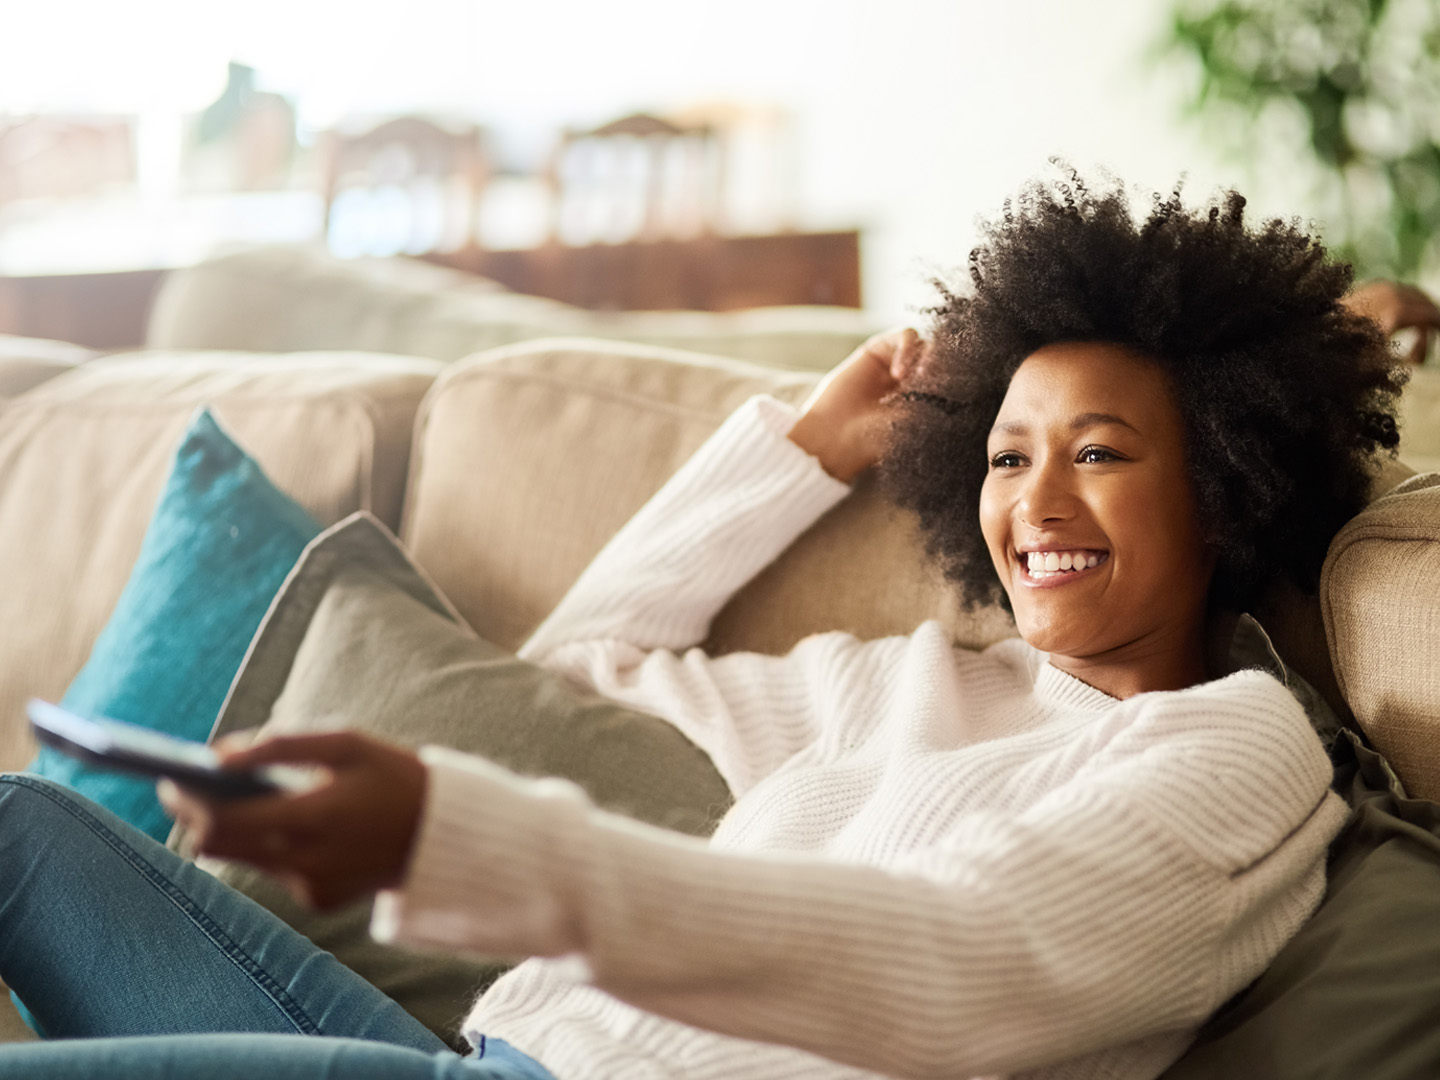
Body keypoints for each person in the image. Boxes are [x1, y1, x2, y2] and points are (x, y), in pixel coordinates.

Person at [0, 170, 1411, 1080]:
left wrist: (450, 841)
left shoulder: (1238, 751)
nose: (1036, 498)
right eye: (1003, 453)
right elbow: (581, 671)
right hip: (475, 1052)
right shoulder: (910, 687)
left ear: (1231, 484)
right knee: (19, 823)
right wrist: (794, 455)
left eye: (1098, 451)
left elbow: (958, 970)